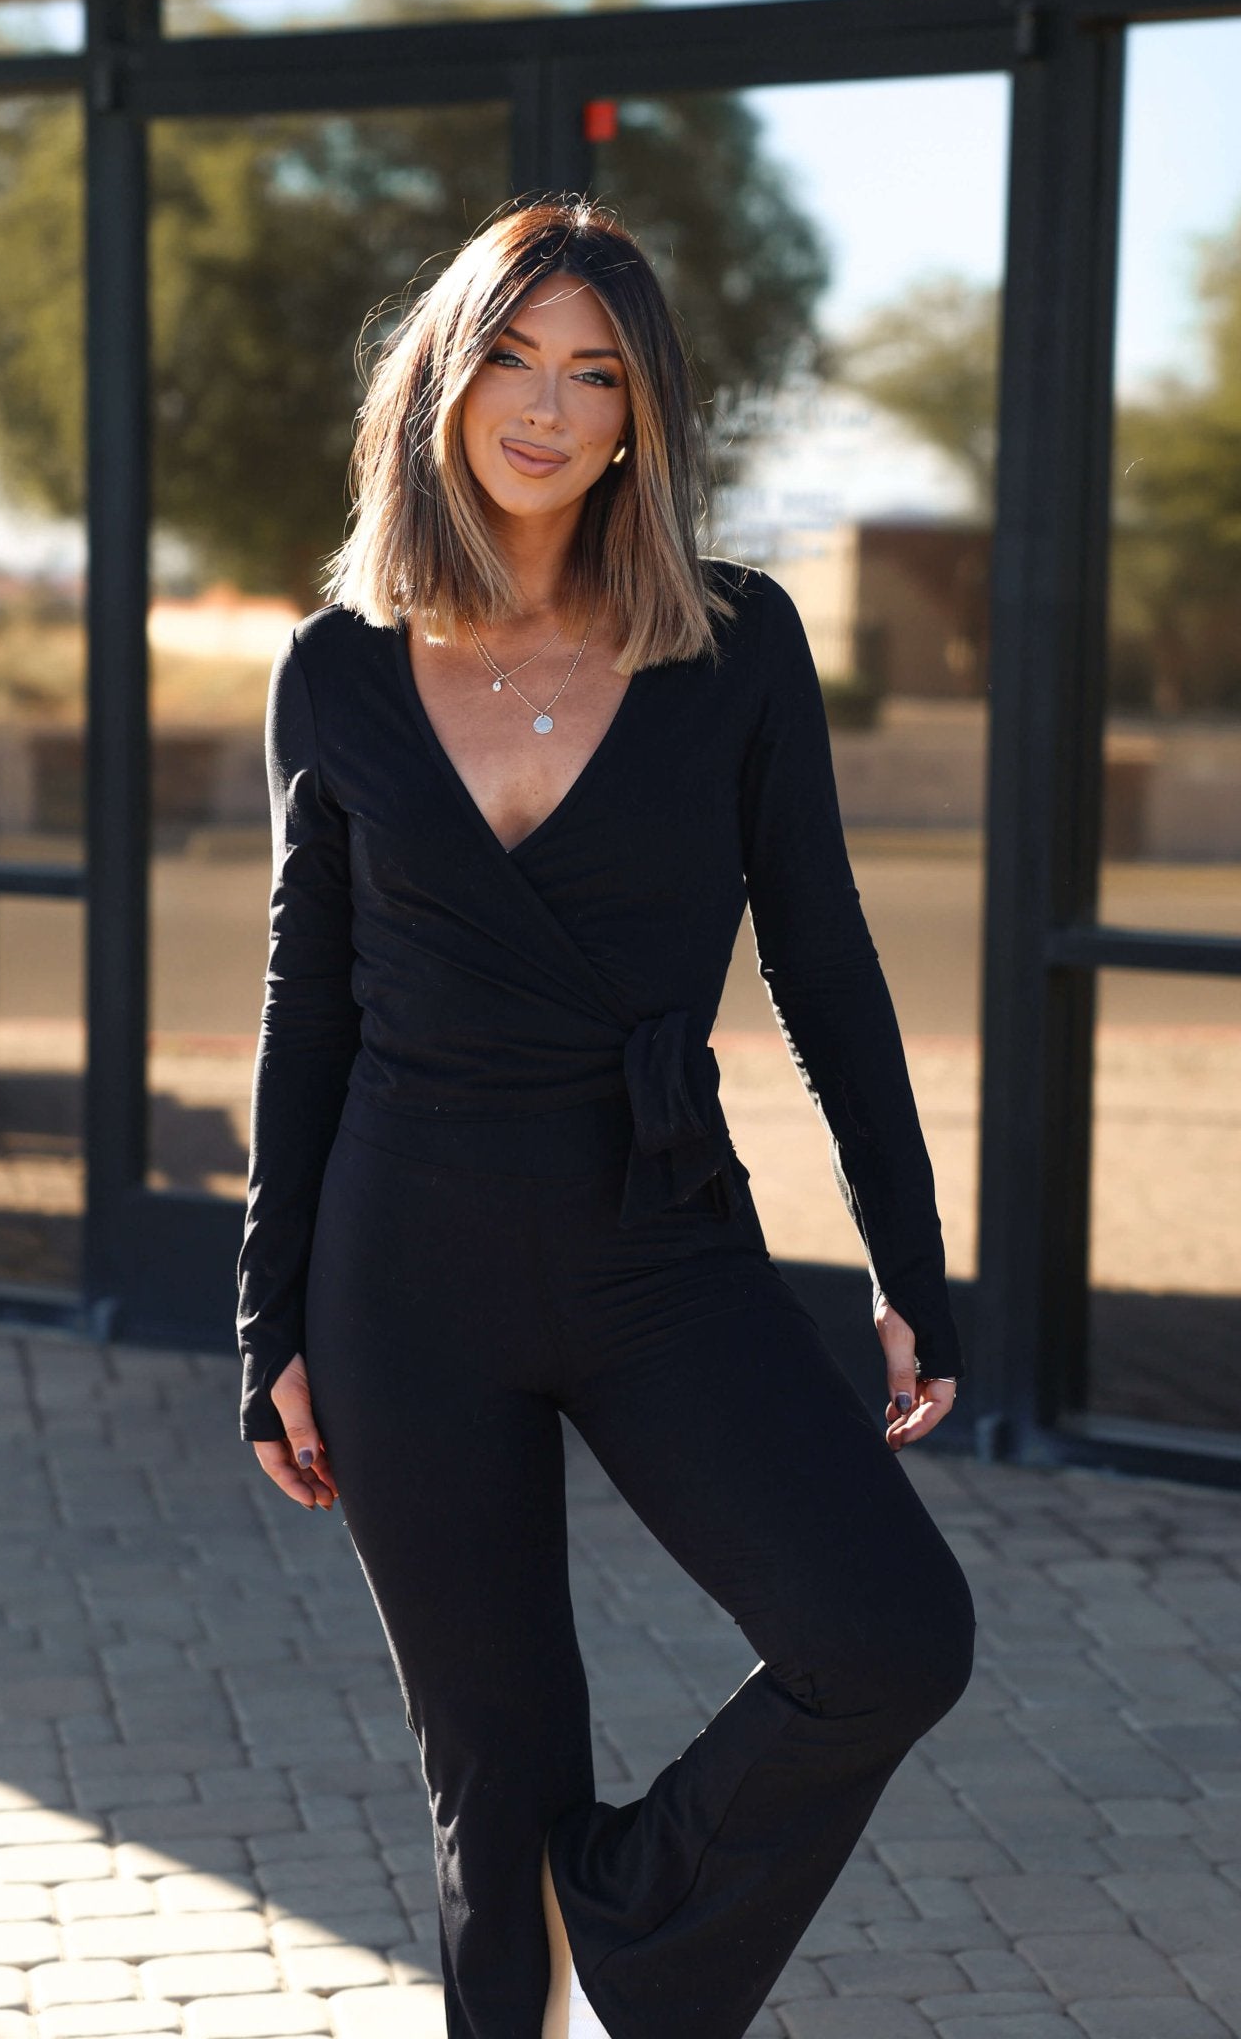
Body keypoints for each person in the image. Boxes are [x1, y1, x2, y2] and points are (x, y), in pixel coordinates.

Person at [235, 193, 976, 2039]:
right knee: (491, 1775)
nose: (546, 409)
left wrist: (910, 1258)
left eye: (594, 374)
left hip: (659, 1243)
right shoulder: (334, 669)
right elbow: (302, 1015)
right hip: (402, 1269)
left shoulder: (735, 646)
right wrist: (267, 1327)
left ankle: (617, 1911)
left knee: (884, 1635)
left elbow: (827, 970)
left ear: (642, 417)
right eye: (509, 358)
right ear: (442, 379)